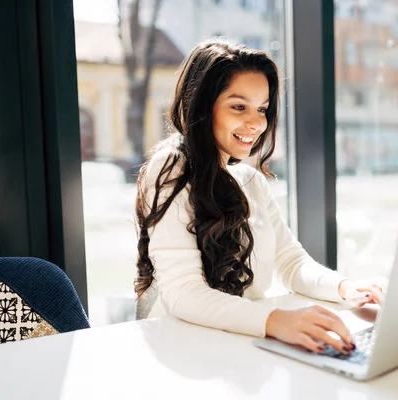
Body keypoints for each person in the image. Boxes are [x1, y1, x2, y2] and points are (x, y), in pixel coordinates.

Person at [135, 38, 385, 356]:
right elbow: (184, 293)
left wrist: (344, 287)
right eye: (239, 106)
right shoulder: (171, 167)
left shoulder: (249, 180)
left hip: (239, 344)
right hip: (187, 351)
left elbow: (291, 263)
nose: (256, 123)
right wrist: (275, 320)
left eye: (262, 109)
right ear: (202, 105)